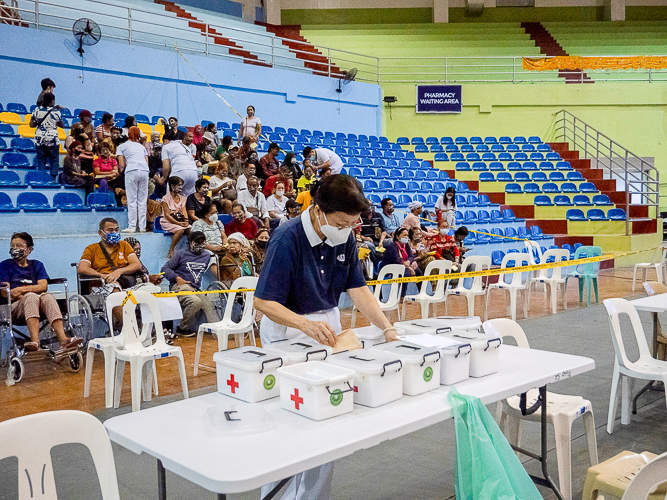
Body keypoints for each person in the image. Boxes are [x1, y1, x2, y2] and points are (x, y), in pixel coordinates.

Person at [254, 174, 400, 500]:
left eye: (353, 223)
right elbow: (263, 302)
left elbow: (358, 289)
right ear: (319, 211)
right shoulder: (286, 238)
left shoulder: (343, 236)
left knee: (328, 421)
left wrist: (386, 328)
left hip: (328, 334)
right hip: (288, 334)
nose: (348, 228)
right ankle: (277, 496)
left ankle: (313, 497)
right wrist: (304, 326)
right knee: (291, 426)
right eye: (342, 221)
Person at [0, 232, 82, 352]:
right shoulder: (5, 266)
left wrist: (20, 290)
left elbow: (43, 286)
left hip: (37, 303)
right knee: (32, 297)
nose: (15, 249)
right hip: (13, 307)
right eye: (13, 246)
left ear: (29, 249)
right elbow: (5, 292)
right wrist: (26, 294)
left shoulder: (37, 265)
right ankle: (35, 341)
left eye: (19, 245)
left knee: (47, 297)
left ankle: (63, 340)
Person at [161, 231, 218, 337]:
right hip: (180, 287)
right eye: (197, 242)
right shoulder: (181, 254)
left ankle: (218, 332)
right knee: (195, 302)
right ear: (190, 242)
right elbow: (165, 269)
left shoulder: (206, 255)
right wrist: (176, 278)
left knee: (208, 304)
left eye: (202, 242)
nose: (200, 245)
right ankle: (182, 327)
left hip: (195, 288)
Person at [78, 218, 144, 293]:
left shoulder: (124, 245)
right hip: (102, 285)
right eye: (110, 230)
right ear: (100, 233)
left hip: (125, 282)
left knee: (148, 289)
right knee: (115, 289)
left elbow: (137, 265)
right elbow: (82, 268)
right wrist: (103, 276)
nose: (114, 232)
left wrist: (119, 271)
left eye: (116, 230)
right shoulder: (92, 249)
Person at [116, 127, 150, 233]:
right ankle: (142, 227)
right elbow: (146, 161)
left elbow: (121, 164)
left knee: (132, 199)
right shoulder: (141, 146)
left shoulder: (122, 146)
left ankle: (132, 226)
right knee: (142, 200)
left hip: (132, 170)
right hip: (144, 171)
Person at [30, 92, 64, 181]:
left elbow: (32, 125)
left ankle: (42, 179)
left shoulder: (36, 110)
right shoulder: (56, 112)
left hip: (39, 138)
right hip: (52, 139)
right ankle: (53, 180)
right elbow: (62, 125)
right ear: (52, 101)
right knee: (54, 160)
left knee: (41, 160)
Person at [380, 227, 422, 297]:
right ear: (397, 236)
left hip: (403, 265)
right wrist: (409, 267)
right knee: (406, 272)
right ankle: (402, 296)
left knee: (418, 271)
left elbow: (411, 256)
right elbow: (396, 260)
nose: (406, 237)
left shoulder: (406, 245)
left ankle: (421, 293)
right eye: (404, 235)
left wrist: (408, 261)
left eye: (407, 235)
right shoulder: (392, 246)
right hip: (390, 267)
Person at [157, 131, 198, 197]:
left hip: (179, 172)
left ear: (166, 140)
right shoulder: (185, 147)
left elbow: (166, 166)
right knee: (188, 200)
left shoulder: (166, 146)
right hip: (194, 173)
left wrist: (163, 179)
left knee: (171, 199)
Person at [161, 176, 191, 258]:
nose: (181, 187)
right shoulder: (165, 198)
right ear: (172, 186)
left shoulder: (183, 198)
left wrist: (186, 221)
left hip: (180, 219)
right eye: (179, 185)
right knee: (180, 230)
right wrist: (178, 223)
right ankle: (171, 249)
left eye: (181, 185)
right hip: (168, 221)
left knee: (190, 229)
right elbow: (167, 215)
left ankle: (191, 248)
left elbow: (184, 211)